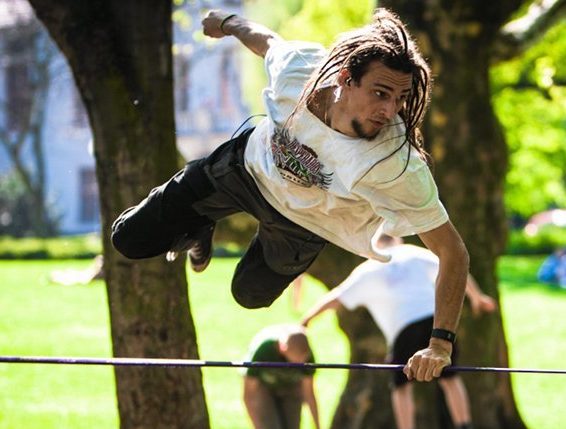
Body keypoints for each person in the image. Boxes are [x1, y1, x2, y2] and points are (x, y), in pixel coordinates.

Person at [110, 8, 470, 383]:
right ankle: (199, 224)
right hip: (243, 171)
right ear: (345, 79)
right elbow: (267, 41)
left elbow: (452, 251)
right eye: (380, 93)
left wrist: (440, 344)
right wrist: (228, 23)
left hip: (304, 223)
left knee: (249, 294)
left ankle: (203, 223)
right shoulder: (302, 69)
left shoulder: (396, 164)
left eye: (400, 98)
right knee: (129, 239)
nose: (389, 110)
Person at [300, 233, 494, 429]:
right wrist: (477, 297)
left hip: (404, 330)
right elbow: (455, 268)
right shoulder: (415, 253)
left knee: (401, 386)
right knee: (450, 379)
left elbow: (335, 297)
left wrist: (306, 320)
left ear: (373, 245)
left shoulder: (369, 268)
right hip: (436, 325)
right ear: (398, 240)